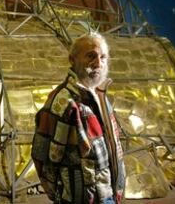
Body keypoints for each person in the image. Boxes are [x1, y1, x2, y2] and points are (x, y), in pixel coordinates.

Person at [31, 32, 125, 203]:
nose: (98, 63)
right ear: (72, 59)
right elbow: (42, 157)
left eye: (103, 57)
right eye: (91, 56)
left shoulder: (101, 96)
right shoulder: (62, 101)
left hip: (108, 196)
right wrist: (61, 195)